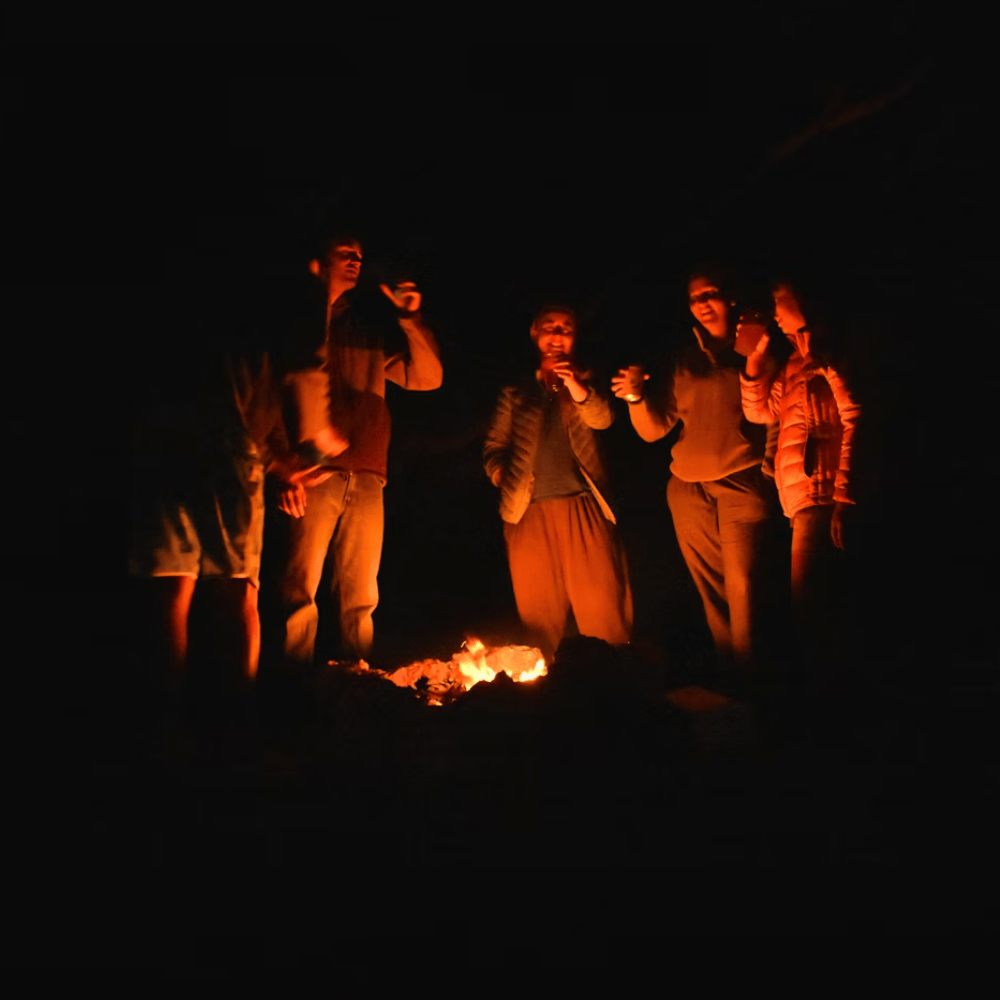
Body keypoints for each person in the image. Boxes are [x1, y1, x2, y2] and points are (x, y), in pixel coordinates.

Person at [128, 276, 338, 734]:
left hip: (160, 424)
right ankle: (233, 724)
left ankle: (168, 725)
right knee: (234, 585)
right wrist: (313, 434)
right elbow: (301, 360)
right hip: (218, 433)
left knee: (173, 585)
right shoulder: (288, 275)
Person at [276, 233, 443, 666]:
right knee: (298, 592)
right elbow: (273, 395)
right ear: (320, 260)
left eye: (359, 256)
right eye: (344, 254)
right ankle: (294, 691)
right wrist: (282, 466)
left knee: (361, 599)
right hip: (313, 473)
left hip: (368, 474)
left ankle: (359, 690)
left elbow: (427, 377)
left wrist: (410, 320)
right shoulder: (295, 322)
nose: (355, 261)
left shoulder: (364, 328)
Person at [611, 269, 774, 674]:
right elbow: (654, 429)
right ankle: (733, 680)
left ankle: (756, 682)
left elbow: (777, 413)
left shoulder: (758, 346)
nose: (702, 303)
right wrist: (635, 396)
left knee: (745, 589)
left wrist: (768, 475)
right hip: (687, 486)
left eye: (711, 293)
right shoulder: (684, 356)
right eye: (695, 297)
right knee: (712, 592)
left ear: (730, 298)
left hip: (742, 480)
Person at [484, 306, 633, 660]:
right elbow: (493, 446)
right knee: (539, 619)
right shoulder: (516, 392)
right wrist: (501, 475)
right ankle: (547, 697)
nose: (557, 335)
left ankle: (618, 688)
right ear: (535, 333)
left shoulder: (588, 381)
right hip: (526, 513)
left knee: (603, 612)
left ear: (574, 337)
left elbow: (603, 418)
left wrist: (575, 384)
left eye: (565, 328)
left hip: (583, 507)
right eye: (550, 327)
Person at [741, 277, 861, 677]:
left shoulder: (833, 352)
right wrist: (755, 363)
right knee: (808, 610)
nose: (774, 313)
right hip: (798, 498)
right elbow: (761, 412)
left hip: (822, 492)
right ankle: (823, 700)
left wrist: (845, 496)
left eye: (781, 303)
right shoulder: (795, 358)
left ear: (804, 306)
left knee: (813, 609)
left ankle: (829, 704)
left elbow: (855, 417)